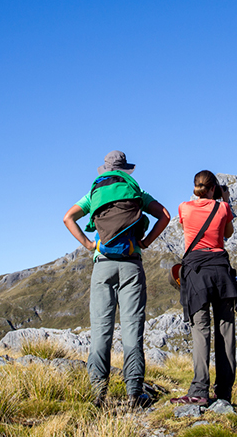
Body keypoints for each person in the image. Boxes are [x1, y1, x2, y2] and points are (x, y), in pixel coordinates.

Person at [63, 150, 170, 409]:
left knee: (101, 330)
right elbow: (165, 215)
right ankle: (134, 392)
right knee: (132, 329)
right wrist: (146, 241)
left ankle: (98, 393)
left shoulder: (94, 194)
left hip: (103, 266)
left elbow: (68, 218)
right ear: (125, 170)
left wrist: (89, 244)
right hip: (132, 265)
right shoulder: (137, 192)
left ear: (106, 170)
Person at [171, 170, 237, 406]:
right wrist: (226, 200)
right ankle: (224, 392)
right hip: (221, 272)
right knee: (226, 332)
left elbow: (188, 225)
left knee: (201, 331)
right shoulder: (222, 208)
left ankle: (199, 390)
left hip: (196, 274)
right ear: (214, 188)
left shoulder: (184, 208)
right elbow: (228, 233)